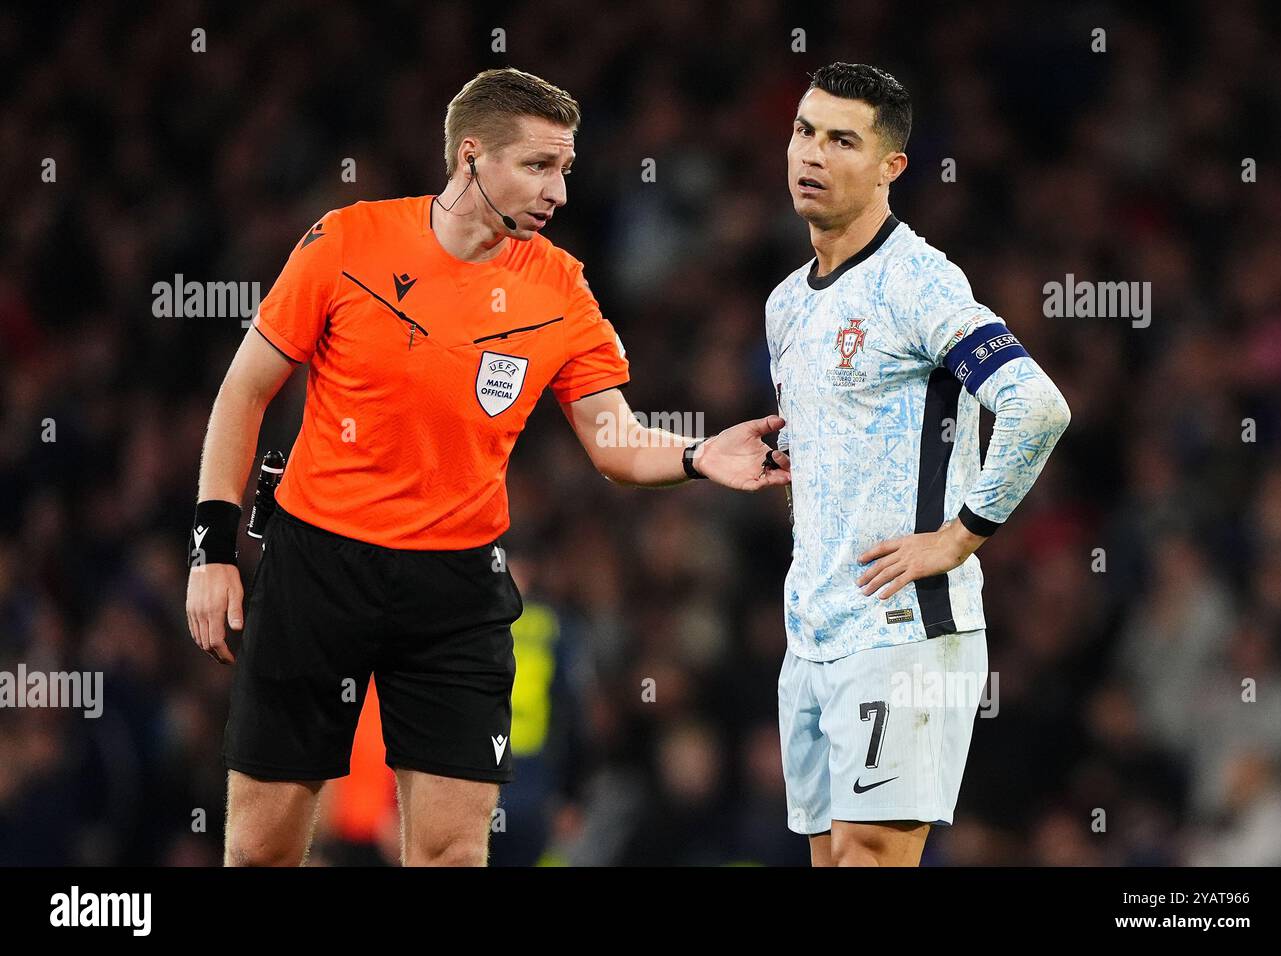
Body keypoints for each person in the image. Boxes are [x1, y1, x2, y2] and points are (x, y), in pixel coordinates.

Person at [185, 67, 790, 867]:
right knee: (261, 851)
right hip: (315, 569)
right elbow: (244, 391)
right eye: (540, 166)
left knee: (450, 855)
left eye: (565, 169)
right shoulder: (348, 240)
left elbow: (613, 439)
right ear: (470, 156)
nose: (559, 192)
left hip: (455, 592)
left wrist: (696, 454)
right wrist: (212, 552)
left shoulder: (561, 288)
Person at [767, 63, 1071, 866]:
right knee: (833, 859)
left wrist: (958, 537)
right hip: (815, 632)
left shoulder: (918, 281)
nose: (813, 154)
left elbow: (1037, 405)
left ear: (890, 166)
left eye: (842, 140)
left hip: (905, 628)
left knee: (869, 857)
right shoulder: (787, 302)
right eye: (805, 131)